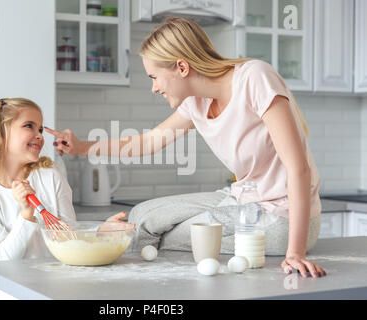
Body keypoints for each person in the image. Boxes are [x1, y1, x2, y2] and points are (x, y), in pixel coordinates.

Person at [45, 17, 326, 278]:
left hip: (280, 217)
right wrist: (82, 147)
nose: (154, 88)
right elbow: (146, 142)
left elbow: (297, 168)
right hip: (241, 201)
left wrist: (295, 253)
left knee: (153, 235)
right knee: (142, 216)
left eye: (154, 77)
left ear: (181, 67)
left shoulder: (254, 78)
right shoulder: (196, 102)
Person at [0, 98, 130, 261]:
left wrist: (101, 231)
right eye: (29, 126)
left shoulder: (50, 176)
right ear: (0, 132)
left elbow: (70, 235)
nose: (39, 135)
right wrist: (26, 214)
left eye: (40, 129)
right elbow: (3, 258)